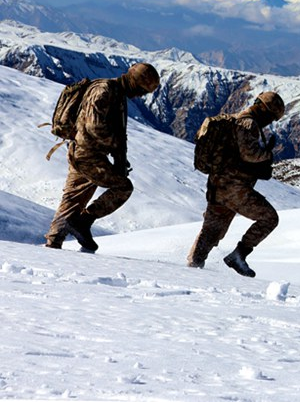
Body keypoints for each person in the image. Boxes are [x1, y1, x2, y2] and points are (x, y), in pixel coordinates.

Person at [45, 63, 161, 252]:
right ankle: (83, 222)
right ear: (134, 82)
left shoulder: (116, 92)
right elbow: (94, 127)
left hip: (83, 153)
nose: (141, 95)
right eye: (141, 90)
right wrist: (115, 147)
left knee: (73, 199)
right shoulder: (105, 91)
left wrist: (119, 156)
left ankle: (53, 242)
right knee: (123, 187)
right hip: (88, 155)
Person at [186, 91, 285, 278]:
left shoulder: (234, 120)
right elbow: (249, 154)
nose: (270, 122)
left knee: (211, 232)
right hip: (234, 189)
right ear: (264, 110)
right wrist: (267, 154)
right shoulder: (248, 124)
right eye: (271, 117)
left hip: (218, 187)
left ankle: (193, 267)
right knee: (269, 218)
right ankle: (239, 255)